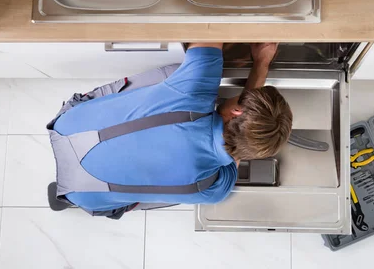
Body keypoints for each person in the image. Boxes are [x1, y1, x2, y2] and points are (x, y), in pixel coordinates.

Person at [51, 43, 293, 213]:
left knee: (176, 73)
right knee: (176, 195)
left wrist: (261, 60)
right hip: (80, 193)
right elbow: (235, 155)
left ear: (237, 112)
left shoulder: (193, 92)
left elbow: (209, 32)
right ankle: (66, 200)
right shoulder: (215, 189)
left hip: (67, 128)